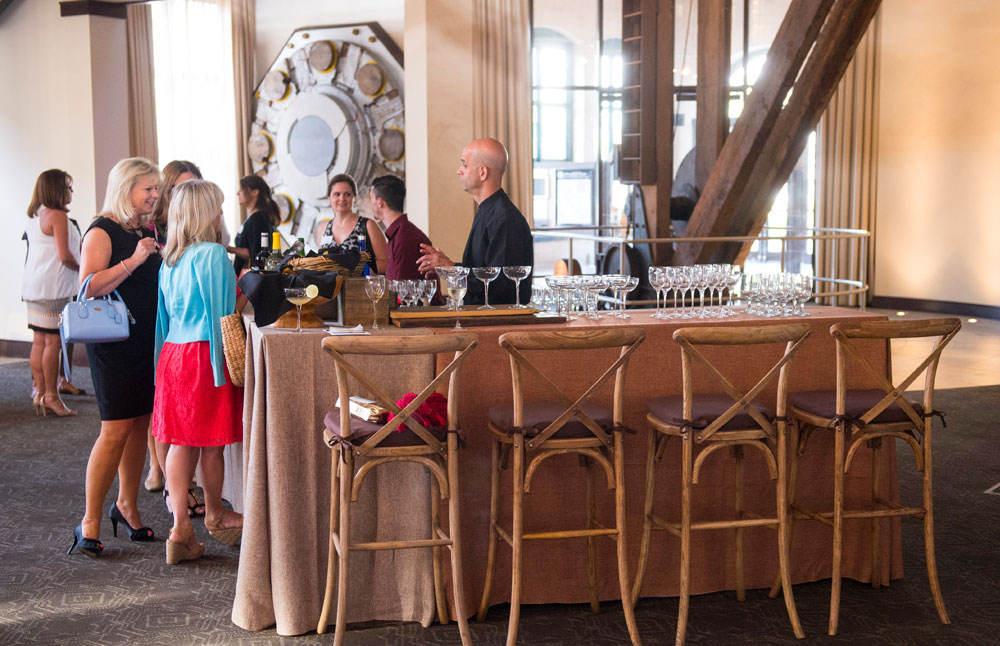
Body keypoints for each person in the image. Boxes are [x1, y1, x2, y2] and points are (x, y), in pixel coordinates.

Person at [68, 158, 161, 558]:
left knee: (139, 424)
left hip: (144, 339)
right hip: (112, 344)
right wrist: (135, 260)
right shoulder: (102, 230)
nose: (155, 196)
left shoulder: (143, 229)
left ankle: (127, 505)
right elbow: (88, 287)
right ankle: (89, 519)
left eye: (156, 189)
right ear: (126, 189)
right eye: (148, 189)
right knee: (115, 429)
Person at [152, 180, 244, 564]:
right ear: (206, 214)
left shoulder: (170, 258)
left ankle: (179, 528)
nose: (222, 214)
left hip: (173, 354)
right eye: (218, 208)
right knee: (212, 442)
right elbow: (225, 315)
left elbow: (162, 319)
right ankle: (216, 513)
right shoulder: (213, 256)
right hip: (205, 354)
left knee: (179, 442)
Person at [417, 138, 533, 305]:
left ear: (482, 173)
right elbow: (483, 272)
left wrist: (451, 268)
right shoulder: (487, 211)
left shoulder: (505, 219)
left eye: (464, 165)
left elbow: (501, 286)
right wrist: (449, 266)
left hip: (499, 326)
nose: (459, 171)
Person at [21, 169, 81, 416]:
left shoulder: (36, 216)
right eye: (68, 187)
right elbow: (65, 255)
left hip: (34, 286)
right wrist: (86, 269)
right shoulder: (57, 216)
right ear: (56, 189)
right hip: (53, 288)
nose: (71, 192)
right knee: (53, 342)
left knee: (40, 341)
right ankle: (51, 396)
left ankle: (40, 392)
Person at [316, 173, 387, 273]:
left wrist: (359, 271)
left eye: (347, 194)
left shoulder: (368, 225)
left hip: (361, 287)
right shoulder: (323, 229)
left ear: (354, 197)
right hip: (330, 287)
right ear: (329, 198)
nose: (342, 199)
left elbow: (386, 263)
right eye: (337, 194)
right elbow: (320, 263)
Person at [368, 174, 432, 281]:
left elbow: (401, 290)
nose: (370, 203)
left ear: (380, 202)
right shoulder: (400, 234)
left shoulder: (404, 238)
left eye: (371, 198)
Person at [227, 175, 280, 275]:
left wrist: (229, 249)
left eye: (242, 189)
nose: (237, 193)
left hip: (251, 279)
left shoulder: (258, 219)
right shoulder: (255, 217)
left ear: (255, 192)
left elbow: (256, 254)